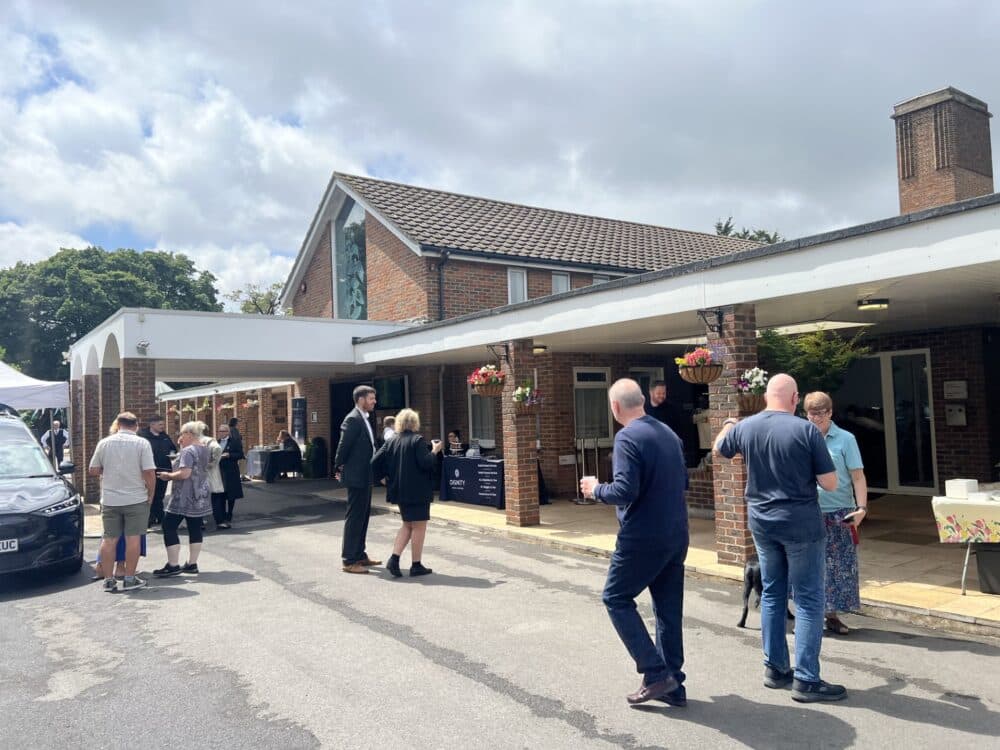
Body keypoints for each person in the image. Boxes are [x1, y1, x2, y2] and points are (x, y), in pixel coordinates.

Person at [713, 374, 845, 703]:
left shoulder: (746, 427)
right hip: (801, 525)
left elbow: (718, 448)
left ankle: (775, 669)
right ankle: (807, 679)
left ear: (766, 397)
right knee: (808, 599)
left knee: (772, 593)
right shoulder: (806, 431)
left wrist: (729, 422)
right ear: (795, 398)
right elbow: (830, 483)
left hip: (762, 523)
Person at [579, 379, 689, 707]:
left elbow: (625, 490)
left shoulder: (627, 437)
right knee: (668, 611)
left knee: (615, 597)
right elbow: (683, 480)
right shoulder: (668, 434)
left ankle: (655, 674)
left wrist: (596, 489)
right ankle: (673, 684)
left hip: (642, 535)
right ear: (642, 400)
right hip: (676, 533)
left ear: (615, 407)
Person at [804, 391, 868, 636]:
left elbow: (858, 476)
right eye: (811, 413)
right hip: (809, 511)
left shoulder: (845, 439)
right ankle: (810, 615)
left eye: (820, 413)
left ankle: (831, 615)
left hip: (840, 511)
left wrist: (861, 508)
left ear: (830, 412)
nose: (816, 418)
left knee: (839, 566)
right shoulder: (802, 437)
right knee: (810, 564)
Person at [88, 411, 156, 593]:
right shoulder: (142, 443)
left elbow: (93, 469)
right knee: (133, 539)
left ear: (118, 425)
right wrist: (151, 494)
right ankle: (129, 578)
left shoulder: (104, 443)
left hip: (110, 499)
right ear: (136, 426)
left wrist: (109, 470)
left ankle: (108, 580)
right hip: (135, 497)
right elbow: (149, 472)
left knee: (109, 539)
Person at [372, 408, 442, 578]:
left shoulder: (391, 441)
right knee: (419, 526)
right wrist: (435, 450)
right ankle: (416, 565)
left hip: (399, 490)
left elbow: (374, 462)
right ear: (415, 423)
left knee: (407, 525)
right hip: (418, 491)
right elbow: (426, 463)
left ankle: (394, 559)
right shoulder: (417, 441)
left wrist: (382, 479)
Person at [154, 421, 212, 577]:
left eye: (182, 434)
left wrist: (168, 476)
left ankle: (173, 565)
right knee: (195, 527)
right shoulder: (204, 449)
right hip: (200, 494)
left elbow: (185, 474)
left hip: (184, 495)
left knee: (168, 526)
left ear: (189, 434)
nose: (180, 437)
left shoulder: (188, 451)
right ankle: (192, 564)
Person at [334, 384, 381, 574]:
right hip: (356, 475)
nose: (374, 401)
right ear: (361, 400)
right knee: (355, 517)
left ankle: (360, 555)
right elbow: (343, 446)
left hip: (365, 474)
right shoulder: (353, 419)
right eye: (371, 398)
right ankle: (349, 560)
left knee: (363, 516)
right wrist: (338, 466)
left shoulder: (364, 418)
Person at [644, 380, 695, 465]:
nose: (662, 396)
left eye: (664, 393)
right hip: (649, 451)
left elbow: (679, 431)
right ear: (651, 393)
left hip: (668, 451)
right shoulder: (644, 410)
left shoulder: (672, 409)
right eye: (659, 393)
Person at [139, 415, 177, 527]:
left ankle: (160, 517)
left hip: (164, 469)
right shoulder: (143, 436)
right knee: (149, 494)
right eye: (160, 424)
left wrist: (173, 453)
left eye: (163, 424)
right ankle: (149, 518)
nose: (162, 426)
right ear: (152, 424)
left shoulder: (165, 436)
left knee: (160, 495)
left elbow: (173, 448)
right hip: (149, 470)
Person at [217, 422, 245, 527]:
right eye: (219, 431)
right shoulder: (217, 442)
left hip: (231, 471)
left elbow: (240, 454)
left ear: (228, 432)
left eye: (222, 431)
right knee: (221, 494)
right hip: (219, 471)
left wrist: (229, 455)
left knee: (231, 494)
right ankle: (222, 514)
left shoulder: (234, 442)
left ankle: (229, 513)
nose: (220, 433)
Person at [204, 423, 226, 531]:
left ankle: (218, 521)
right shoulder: (208, 442)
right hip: (208, 475)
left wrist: (210, 464)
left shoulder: (210, 442)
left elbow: (217, 450)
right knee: (213, 497)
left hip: (209, 474)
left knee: (210, 497)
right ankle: (219, 521)